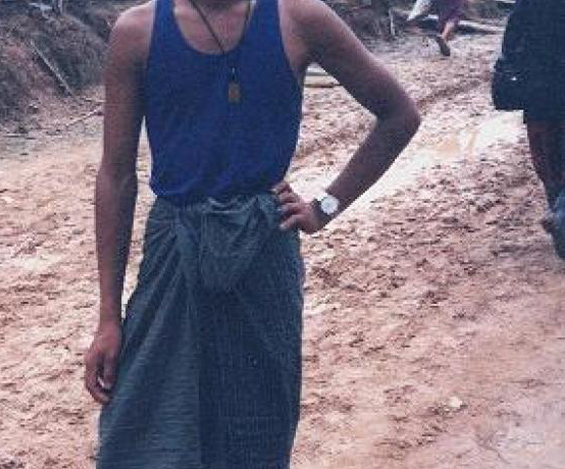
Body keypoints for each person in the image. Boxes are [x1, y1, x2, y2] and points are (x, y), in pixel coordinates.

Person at [83, 0, 421, 466]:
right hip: (173, 255)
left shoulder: (299, 19)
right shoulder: (137, 32)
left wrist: (324, 207)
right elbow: (116, 176)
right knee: (143, 427)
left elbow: (399, 115)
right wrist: (109, 319)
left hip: (264, 254)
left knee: (258, 433)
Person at [498, 0, 565, 258]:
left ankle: (558, 214)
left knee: (548, 161)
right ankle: (560, 215)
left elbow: (511, 40)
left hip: (540, 90)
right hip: (545, 87)